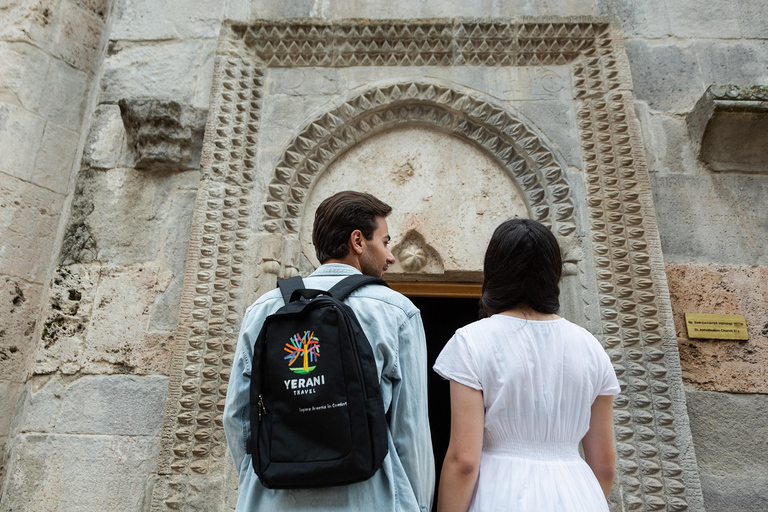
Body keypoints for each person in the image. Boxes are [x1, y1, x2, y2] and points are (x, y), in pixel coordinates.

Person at [223, 190, 435, 512]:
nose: (390, 256)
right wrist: (416, 504)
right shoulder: (396, 312)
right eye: (386, 241)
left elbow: (237, 417)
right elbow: (409, 431)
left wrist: (260, 482)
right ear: (358, 241)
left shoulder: (264, 309)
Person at [433, 218, 619, 512]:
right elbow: (605, 466)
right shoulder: (591, 347)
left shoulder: (472, 341)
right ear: (553, 272)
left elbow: (464, 461)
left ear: (494, 270)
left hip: (500, 493)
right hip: (579, 494)